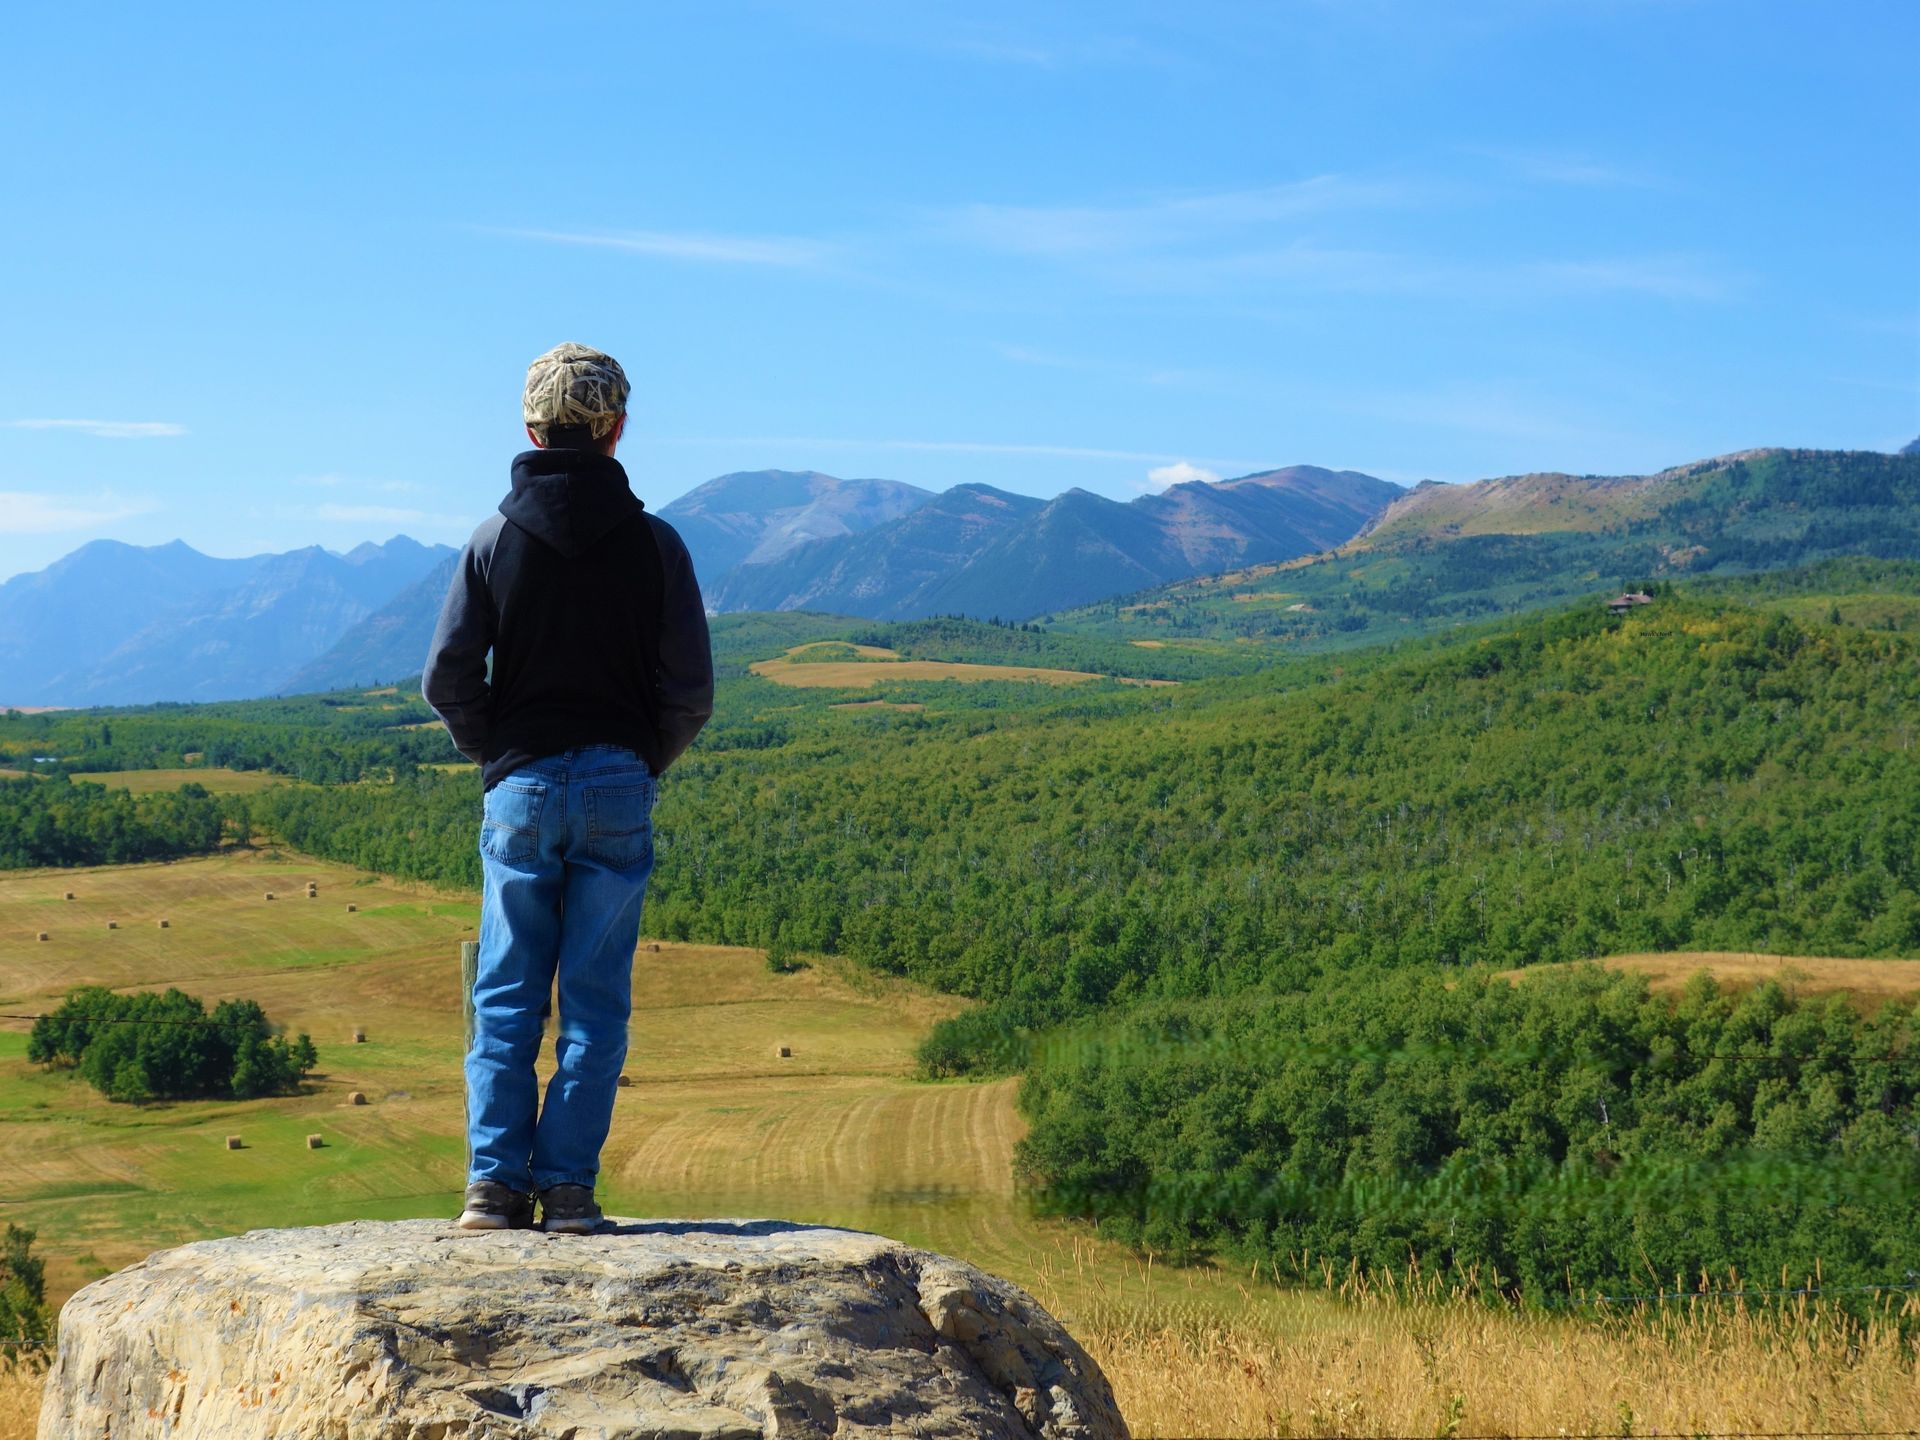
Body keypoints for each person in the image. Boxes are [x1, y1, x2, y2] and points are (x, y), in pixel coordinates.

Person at [422, 342, 713, 1234]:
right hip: (619, 784)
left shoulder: (492, 540)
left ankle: (493, 1189)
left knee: (506, 992)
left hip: (521, 786)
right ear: (617, 429)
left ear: (529, 426)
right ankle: (571, 1191)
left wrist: (498, 756)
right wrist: (638, 762)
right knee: (595, 997)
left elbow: (447, 678)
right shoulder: (659, 546)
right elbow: (691, 692)